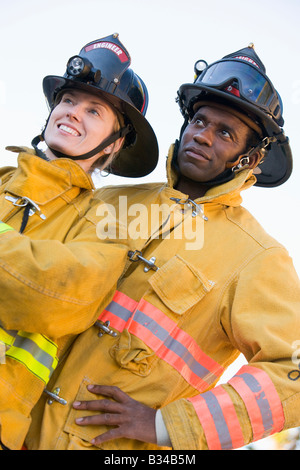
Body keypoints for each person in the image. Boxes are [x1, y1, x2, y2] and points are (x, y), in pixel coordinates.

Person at [25, 45, 300, 450]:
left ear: (251, 157)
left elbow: (291, 372)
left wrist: (166, 426)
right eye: (200, 120)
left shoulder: (257, 257)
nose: (203, 136)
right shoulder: (107, 201)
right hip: (18, 432)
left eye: (225, 133)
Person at [0, 33, 158, 450]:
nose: (72, 113)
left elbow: (55, 294)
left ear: (116, 143)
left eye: (94, 110)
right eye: (68, 101)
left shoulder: (104, 222)